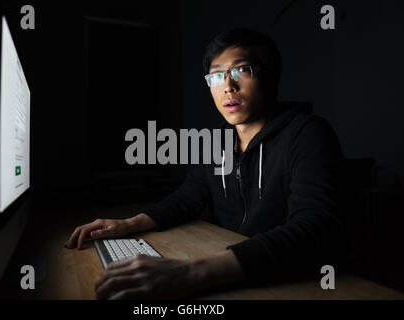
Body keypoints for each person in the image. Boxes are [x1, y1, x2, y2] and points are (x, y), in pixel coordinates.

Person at [65, 28, 348, 300]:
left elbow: (316, 228)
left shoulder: (307, 133)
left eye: (241, 70)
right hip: (234, 273)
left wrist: (192, 273)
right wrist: (129, 224)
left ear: (270, 75)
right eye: (216, 77)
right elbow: (187, 198)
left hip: (287, 280)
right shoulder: (216, 143)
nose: (228, 86)